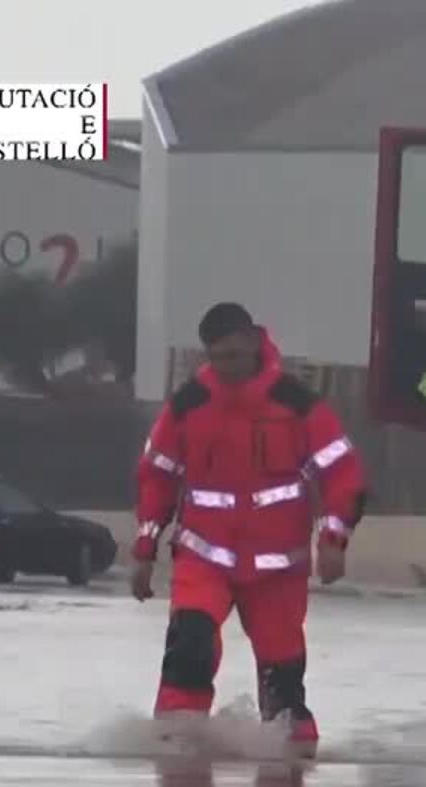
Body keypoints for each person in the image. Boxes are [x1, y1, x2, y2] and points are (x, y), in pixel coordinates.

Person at [130, 302, 366, 752]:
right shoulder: (187, 406)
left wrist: (334, 540)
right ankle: (177, 746)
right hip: (204, 556)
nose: (227, 368)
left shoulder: (297, 404)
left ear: (256, 343)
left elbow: (343, 472)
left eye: (235, 356)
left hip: (278, 569)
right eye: (217, 358)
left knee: (283, 677)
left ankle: (289, 773)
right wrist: (145, 549)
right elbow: (156, 476)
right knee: (191, 643)